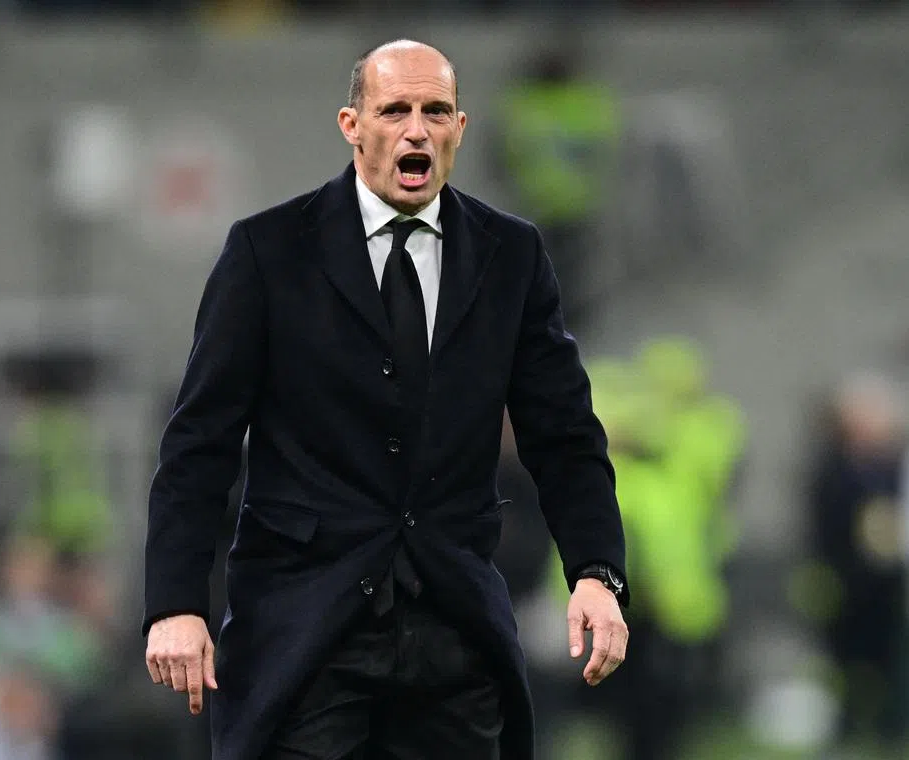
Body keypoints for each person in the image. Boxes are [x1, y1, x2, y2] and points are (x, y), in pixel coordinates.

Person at [143, 39, 630, 760]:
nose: (416, 130)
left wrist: (595, 571)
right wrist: (176, 604)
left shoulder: (511, 256)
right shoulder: (269, 251)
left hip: (453, 632)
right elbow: (200, 443)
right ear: (352, 125)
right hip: (306, 630)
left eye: (435, 111)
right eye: (395, 110)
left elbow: (564, 436)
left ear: (459, 128)